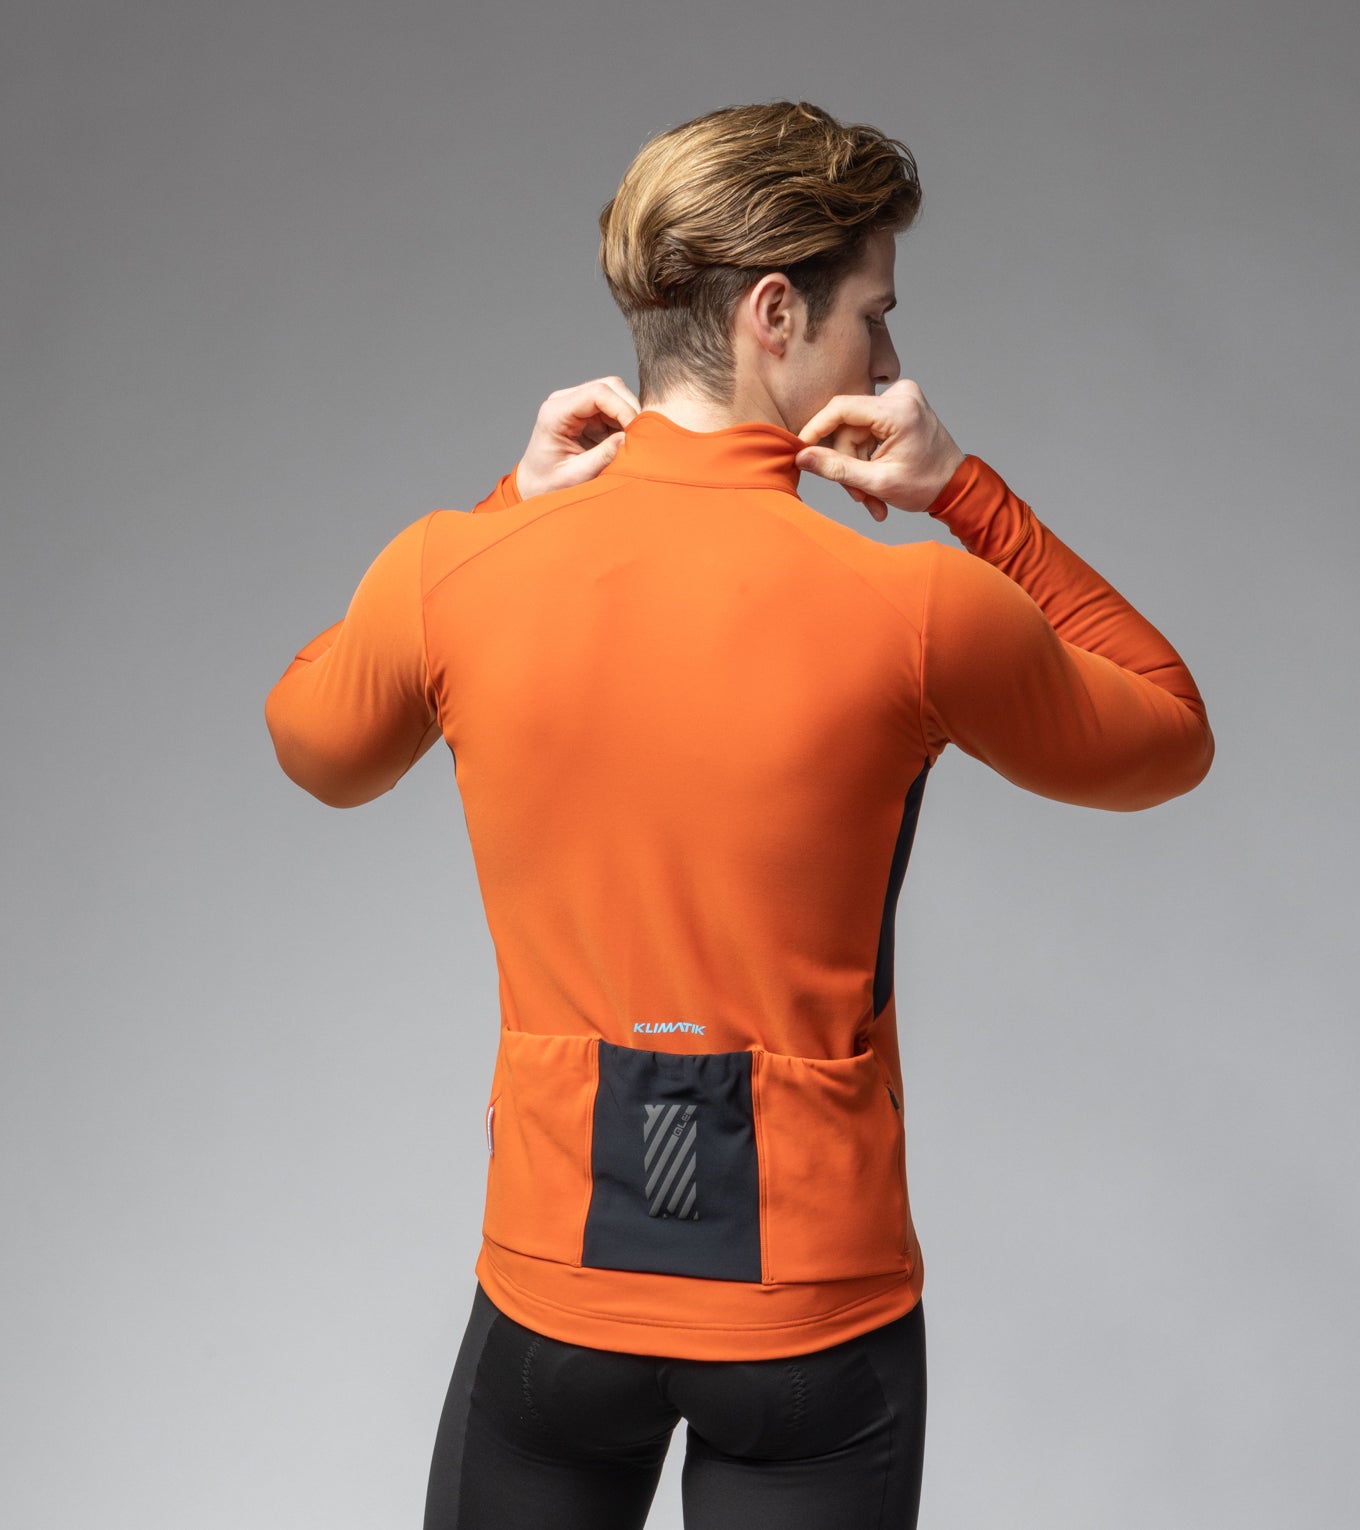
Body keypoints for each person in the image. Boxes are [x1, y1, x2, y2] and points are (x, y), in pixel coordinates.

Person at [265, 101, 1213, 1530]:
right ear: (776, 313)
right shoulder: (917, 608)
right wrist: (968, 494)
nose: (888, 365)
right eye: (874, 318)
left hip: (557, 1291)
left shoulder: (455, 570)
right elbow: (1169, 728)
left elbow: (315, 743)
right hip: (810, 1313)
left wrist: (507, 510)